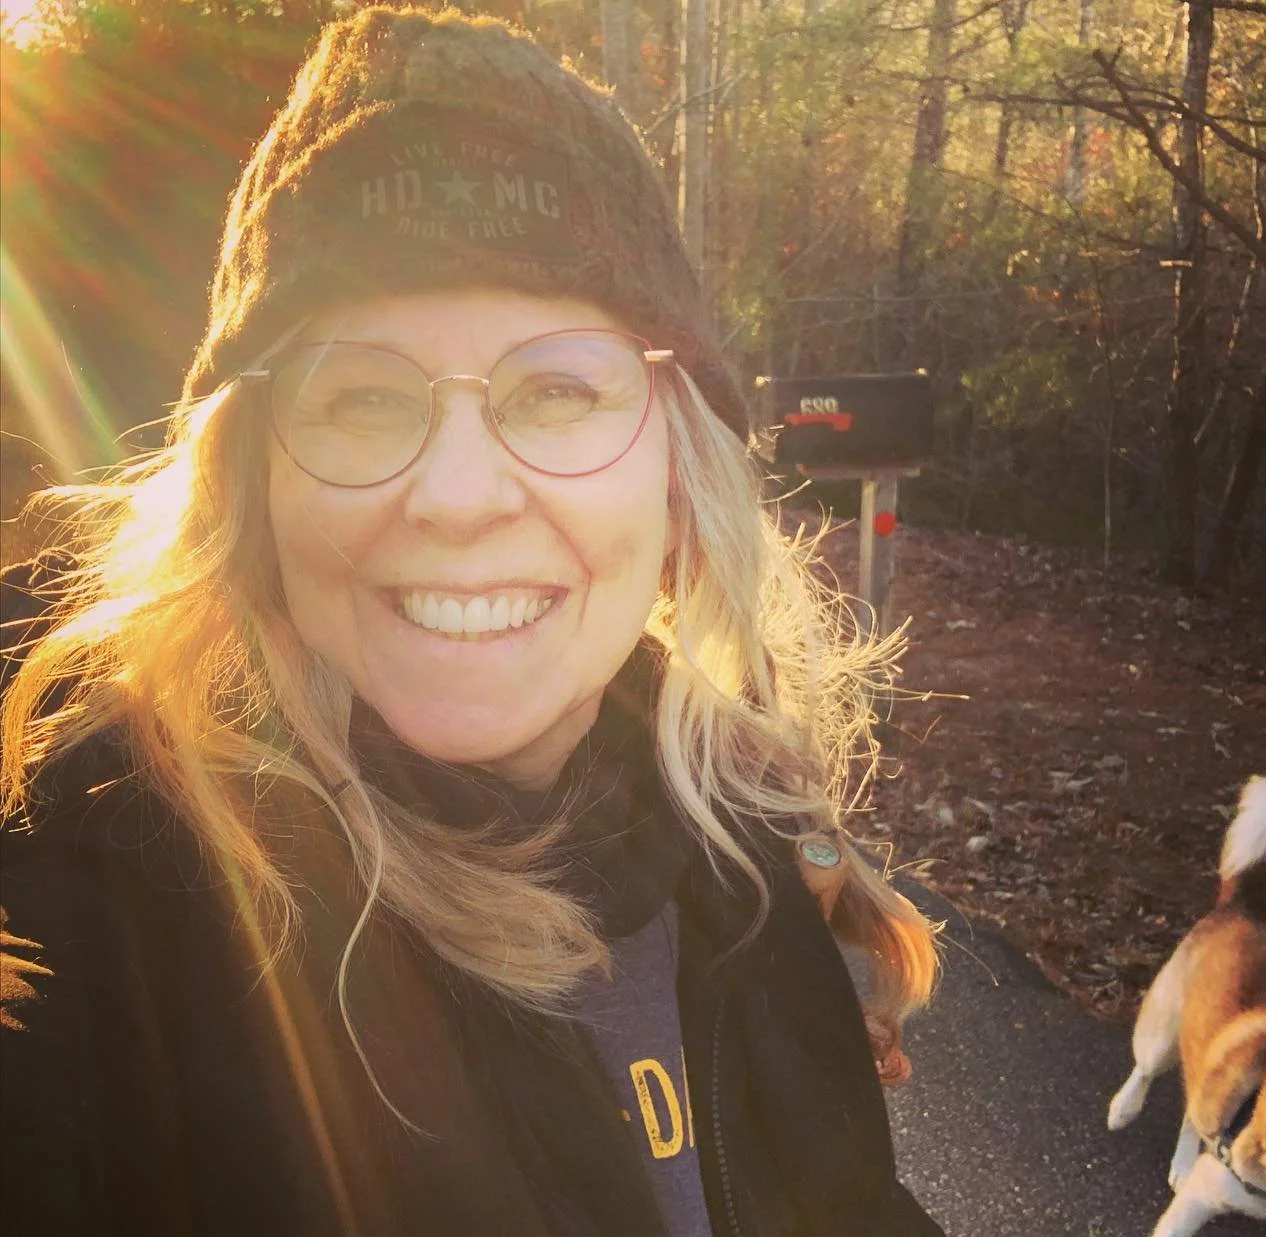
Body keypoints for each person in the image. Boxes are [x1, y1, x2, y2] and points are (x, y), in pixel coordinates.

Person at [0, 9, 941, 1235]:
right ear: (252, 483)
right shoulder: (92, 927)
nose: (454, 496)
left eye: (555, 391)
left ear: (678, 464)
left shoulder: (732, 832)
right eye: (363, 397)